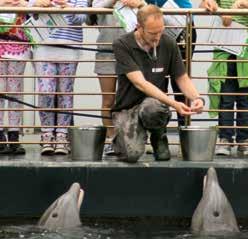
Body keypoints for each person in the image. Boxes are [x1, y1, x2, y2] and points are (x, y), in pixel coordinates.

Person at [112, 4, 204, 163]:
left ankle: (158, 135)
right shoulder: (122, 44)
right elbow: (141, 83)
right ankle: (132, 136)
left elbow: (181, 77)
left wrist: (197, 98)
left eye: (161, 31)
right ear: (139, 27)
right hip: (127, 107)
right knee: (130, 155)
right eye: (153, 33)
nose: (157, 37)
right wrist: (174, 104)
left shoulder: (168, 43)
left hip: (153, 105)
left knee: (153, 107)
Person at [200, 0, 248, 156]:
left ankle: (244, 140)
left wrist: (242, 4)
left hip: (247, 54)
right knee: (226, 99)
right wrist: (218, 9)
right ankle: (225, 139)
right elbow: (204, 4)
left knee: (245, 99)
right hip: (225, 52)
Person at [33, 0, 87, 155]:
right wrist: (37, 4)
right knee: (45, 91)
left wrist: (68, 6)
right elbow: (28, 10)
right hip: (43, 44)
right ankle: (47, 135)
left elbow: (83, 17)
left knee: (65, 92)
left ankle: (62, 137)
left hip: (70, 46)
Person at [92, 0, 145, 155]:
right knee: (108, 100)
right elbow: (92, 11)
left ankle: (132, 139)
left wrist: (139, 4)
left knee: (132, 98)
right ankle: (112, 140)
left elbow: (148, 11)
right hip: (106, 50)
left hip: (133, 51)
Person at [0, 0, 50, 155]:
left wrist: (25, 4)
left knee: (15, 92)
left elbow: (40, 4)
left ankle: (14, 136)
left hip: (19, 42)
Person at [145, 0, 197, 127]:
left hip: (180, 26)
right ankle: (158, 134)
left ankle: (184, 131)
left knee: (179, 82)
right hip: (152, 27)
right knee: (156, 81)